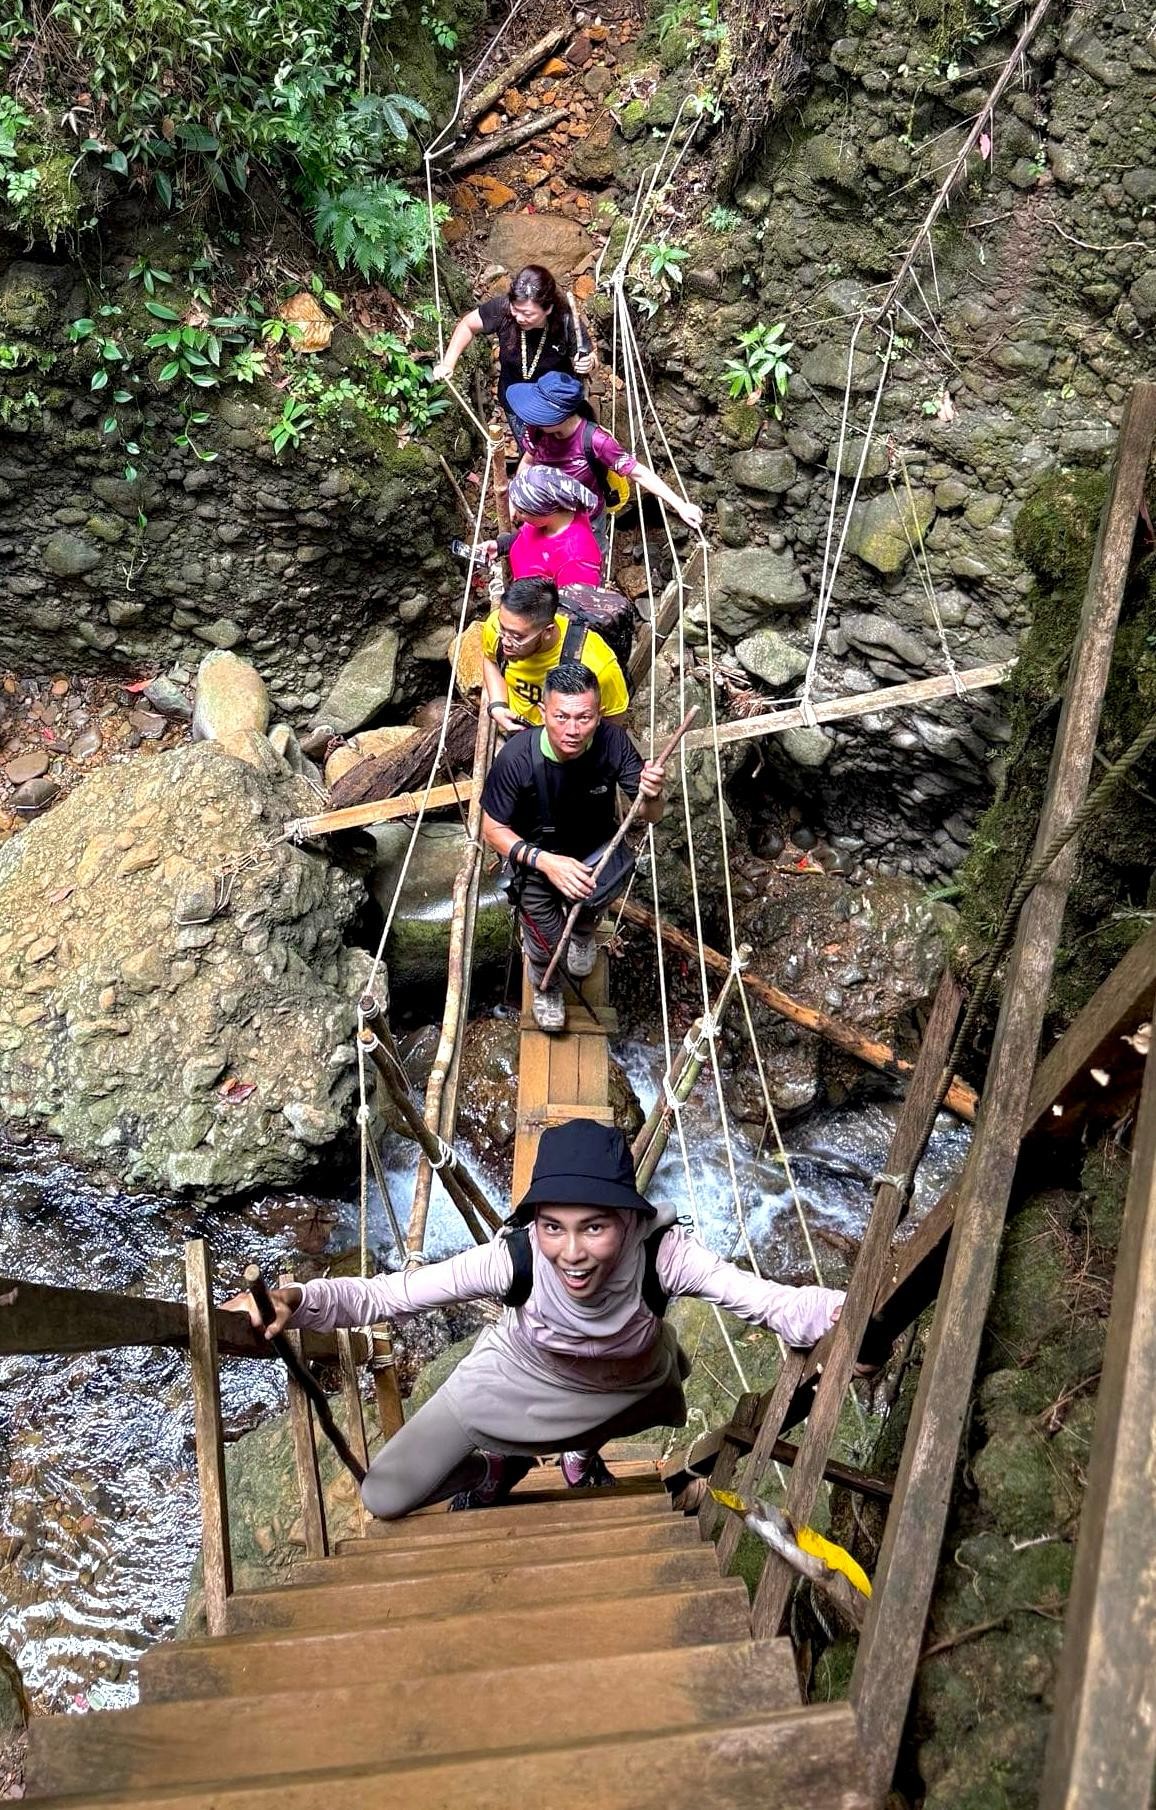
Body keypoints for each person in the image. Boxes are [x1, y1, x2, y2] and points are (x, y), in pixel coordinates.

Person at [228, 1119, 845, 1519]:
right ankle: (501, 1461)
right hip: (520, 1375)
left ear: (629, 1219)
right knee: (385, 1496)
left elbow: (771, 1301)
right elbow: (392, 1296)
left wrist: (842, 1319)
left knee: (623, 1400)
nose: (571, 1253)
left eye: (594, 1227)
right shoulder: (514, 1258)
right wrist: (298, 1300)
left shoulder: (666, 1255)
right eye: (553, 1226)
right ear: (536, 1223)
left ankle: (579, 1451)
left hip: (624, 1380)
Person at [481, 659, 654, 1032]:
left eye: (584, 718)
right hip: (537, 863)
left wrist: (654, 791)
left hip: (595, 853)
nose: (572, 730)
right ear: (543, 712)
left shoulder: (613, 743)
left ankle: (581, 935)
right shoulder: (516, 759)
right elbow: (491, 828)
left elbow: (650, 813)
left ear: (599, 713)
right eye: (561, 717)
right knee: (545, 944)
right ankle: (546, 987)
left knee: (592, 907)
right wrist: (547, 863)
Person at [509, 371, 704, 538]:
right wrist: (517, 501)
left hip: (585, 521)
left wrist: (680, 505)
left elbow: (638, 472)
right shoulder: (538, 430)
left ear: (560, 416)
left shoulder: (596, 441)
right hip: (544, 516)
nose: (531, 417)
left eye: (538, 412)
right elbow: (528, 461)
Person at [432, 265, 595, 444]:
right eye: (515, 309)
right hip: (517, 403)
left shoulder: (565, 321)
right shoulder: (502, 310)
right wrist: (448, 363)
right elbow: (467, 325)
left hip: (555, 406)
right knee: (529, 450)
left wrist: (589, 362)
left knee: (564, 452)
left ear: (547, 309)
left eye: (527, 313)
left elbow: (589, 356)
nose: (518, 317)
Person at [481, 577, 628, 736]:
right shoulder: (497, 628)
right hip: (520, 729)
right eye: (503, 629)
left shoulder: (597, 666)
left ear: (547, 632)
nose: (505, 642)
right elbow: (491, 660)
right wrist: (498, 706)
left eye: (518, 637)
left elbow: (614, 718)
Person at [504, 466, 603, 589]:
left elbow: (573, 605)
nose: (516, 516)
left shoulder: (577, 561)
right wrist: (501, 545)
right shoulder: (546, 518)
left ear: (544, 512)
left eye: (521, 511)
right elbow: (527, 537)